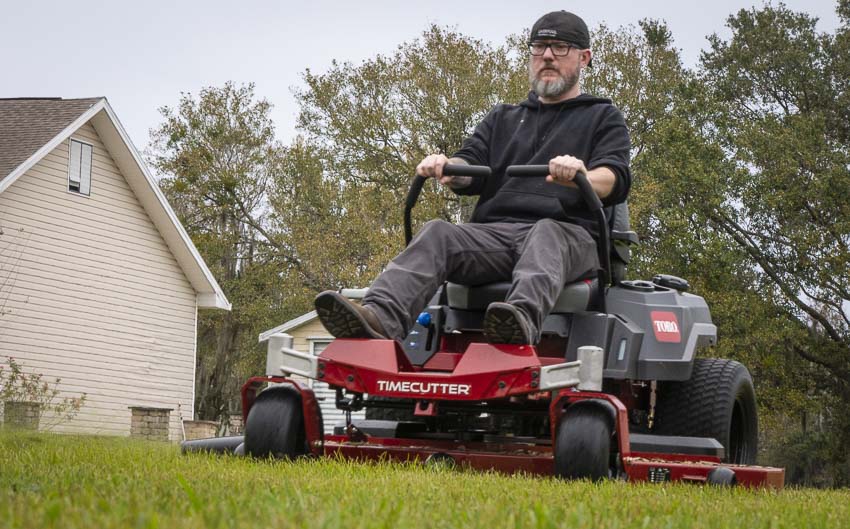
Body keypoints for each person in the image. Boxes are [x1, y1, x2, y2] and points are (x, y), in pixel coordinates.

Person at [315, 11, 631, 345]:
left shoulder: (603, 116)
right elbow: (470, 165)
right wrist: (447, 168)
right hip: (495, 237)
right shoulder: (503, 118)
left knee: (546, 233)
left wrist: (581, 175)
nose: (548, 55)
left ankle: (515, 323)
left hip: (569, 238)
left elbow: (614, 179)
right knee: (438, 232)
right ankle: (379, 318)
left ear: (585, 58)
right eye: (539, 47)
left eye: (560, 47)